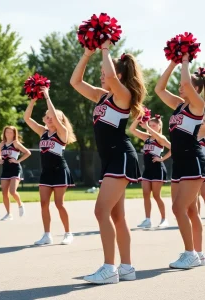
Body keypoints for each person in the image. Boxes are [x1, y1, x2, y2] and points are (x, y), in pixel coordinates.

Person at [70, 40, 146, 283]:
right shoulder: (102, 97)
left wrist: (104, 48)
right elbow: (75, 82)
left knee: (100, 211)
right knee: (117, 217)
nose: (102, 77)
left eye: (106, 73)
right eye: (101, 74)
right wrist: (86, 54)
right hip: (111, 160)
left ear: (119, 74)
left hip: (120, 156)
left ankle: (109, 268)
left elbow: (112, 79)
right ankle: (127, 268)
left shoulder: (123, 95)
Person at [155, 55, 205, 268]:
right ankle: (199, 253)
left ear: (196, 89)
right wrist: (173, 63)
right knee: (190, 210)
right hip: (179, 163)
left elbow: (185, 82)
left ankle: (190, 253)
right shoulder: (178, 105)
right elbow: (159, 88)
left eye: (187, 87)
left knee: (178, 208)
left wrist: (185, 59)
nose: (181, 88)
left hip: (193, 160)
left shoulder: (198, 105)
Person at [24, 87, 76, 246]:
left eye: (53, 116)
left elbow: (55, 114)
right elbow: (26, 118)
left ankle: (68, 233)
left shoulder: (62, 132)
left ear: (60, 120)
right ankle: (47, 235)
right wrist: (32, 100)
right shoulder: (42, 132)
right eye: (47, 117)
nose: (50, 118)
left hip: (59, 170)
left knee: (59, 203)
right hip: (46, 172)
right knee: (44, 203)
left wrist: (46, 96)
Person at [129, 115, 171, 228]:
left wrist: (162, 158)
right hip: (147, 170)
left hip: (158, 169)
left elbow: (173, 148)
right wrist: (137, 120)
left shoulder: (160, 138)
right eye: (150, 125)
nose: (151, 127)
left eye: (153, 125)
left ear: (159, 126)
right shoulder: (147, 137)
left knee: (157, 195)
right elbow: (131, 130)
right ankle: (147, 220)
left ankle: (164, 219)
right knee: (146, 194)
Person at [0, 126, 31, 220]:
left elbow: (28, 152)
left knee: (12, 191)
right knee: (4, 193)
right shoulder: (2, 144)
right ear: (4, 133)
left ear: (14, 134)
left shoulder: (15, 143)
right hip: (5, 169)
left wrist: (18, 160)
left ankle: (20, 204)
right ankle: (8, 213)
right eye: (7, 132)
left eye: (11, 132)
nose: (8, 134)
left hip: (15, 169)